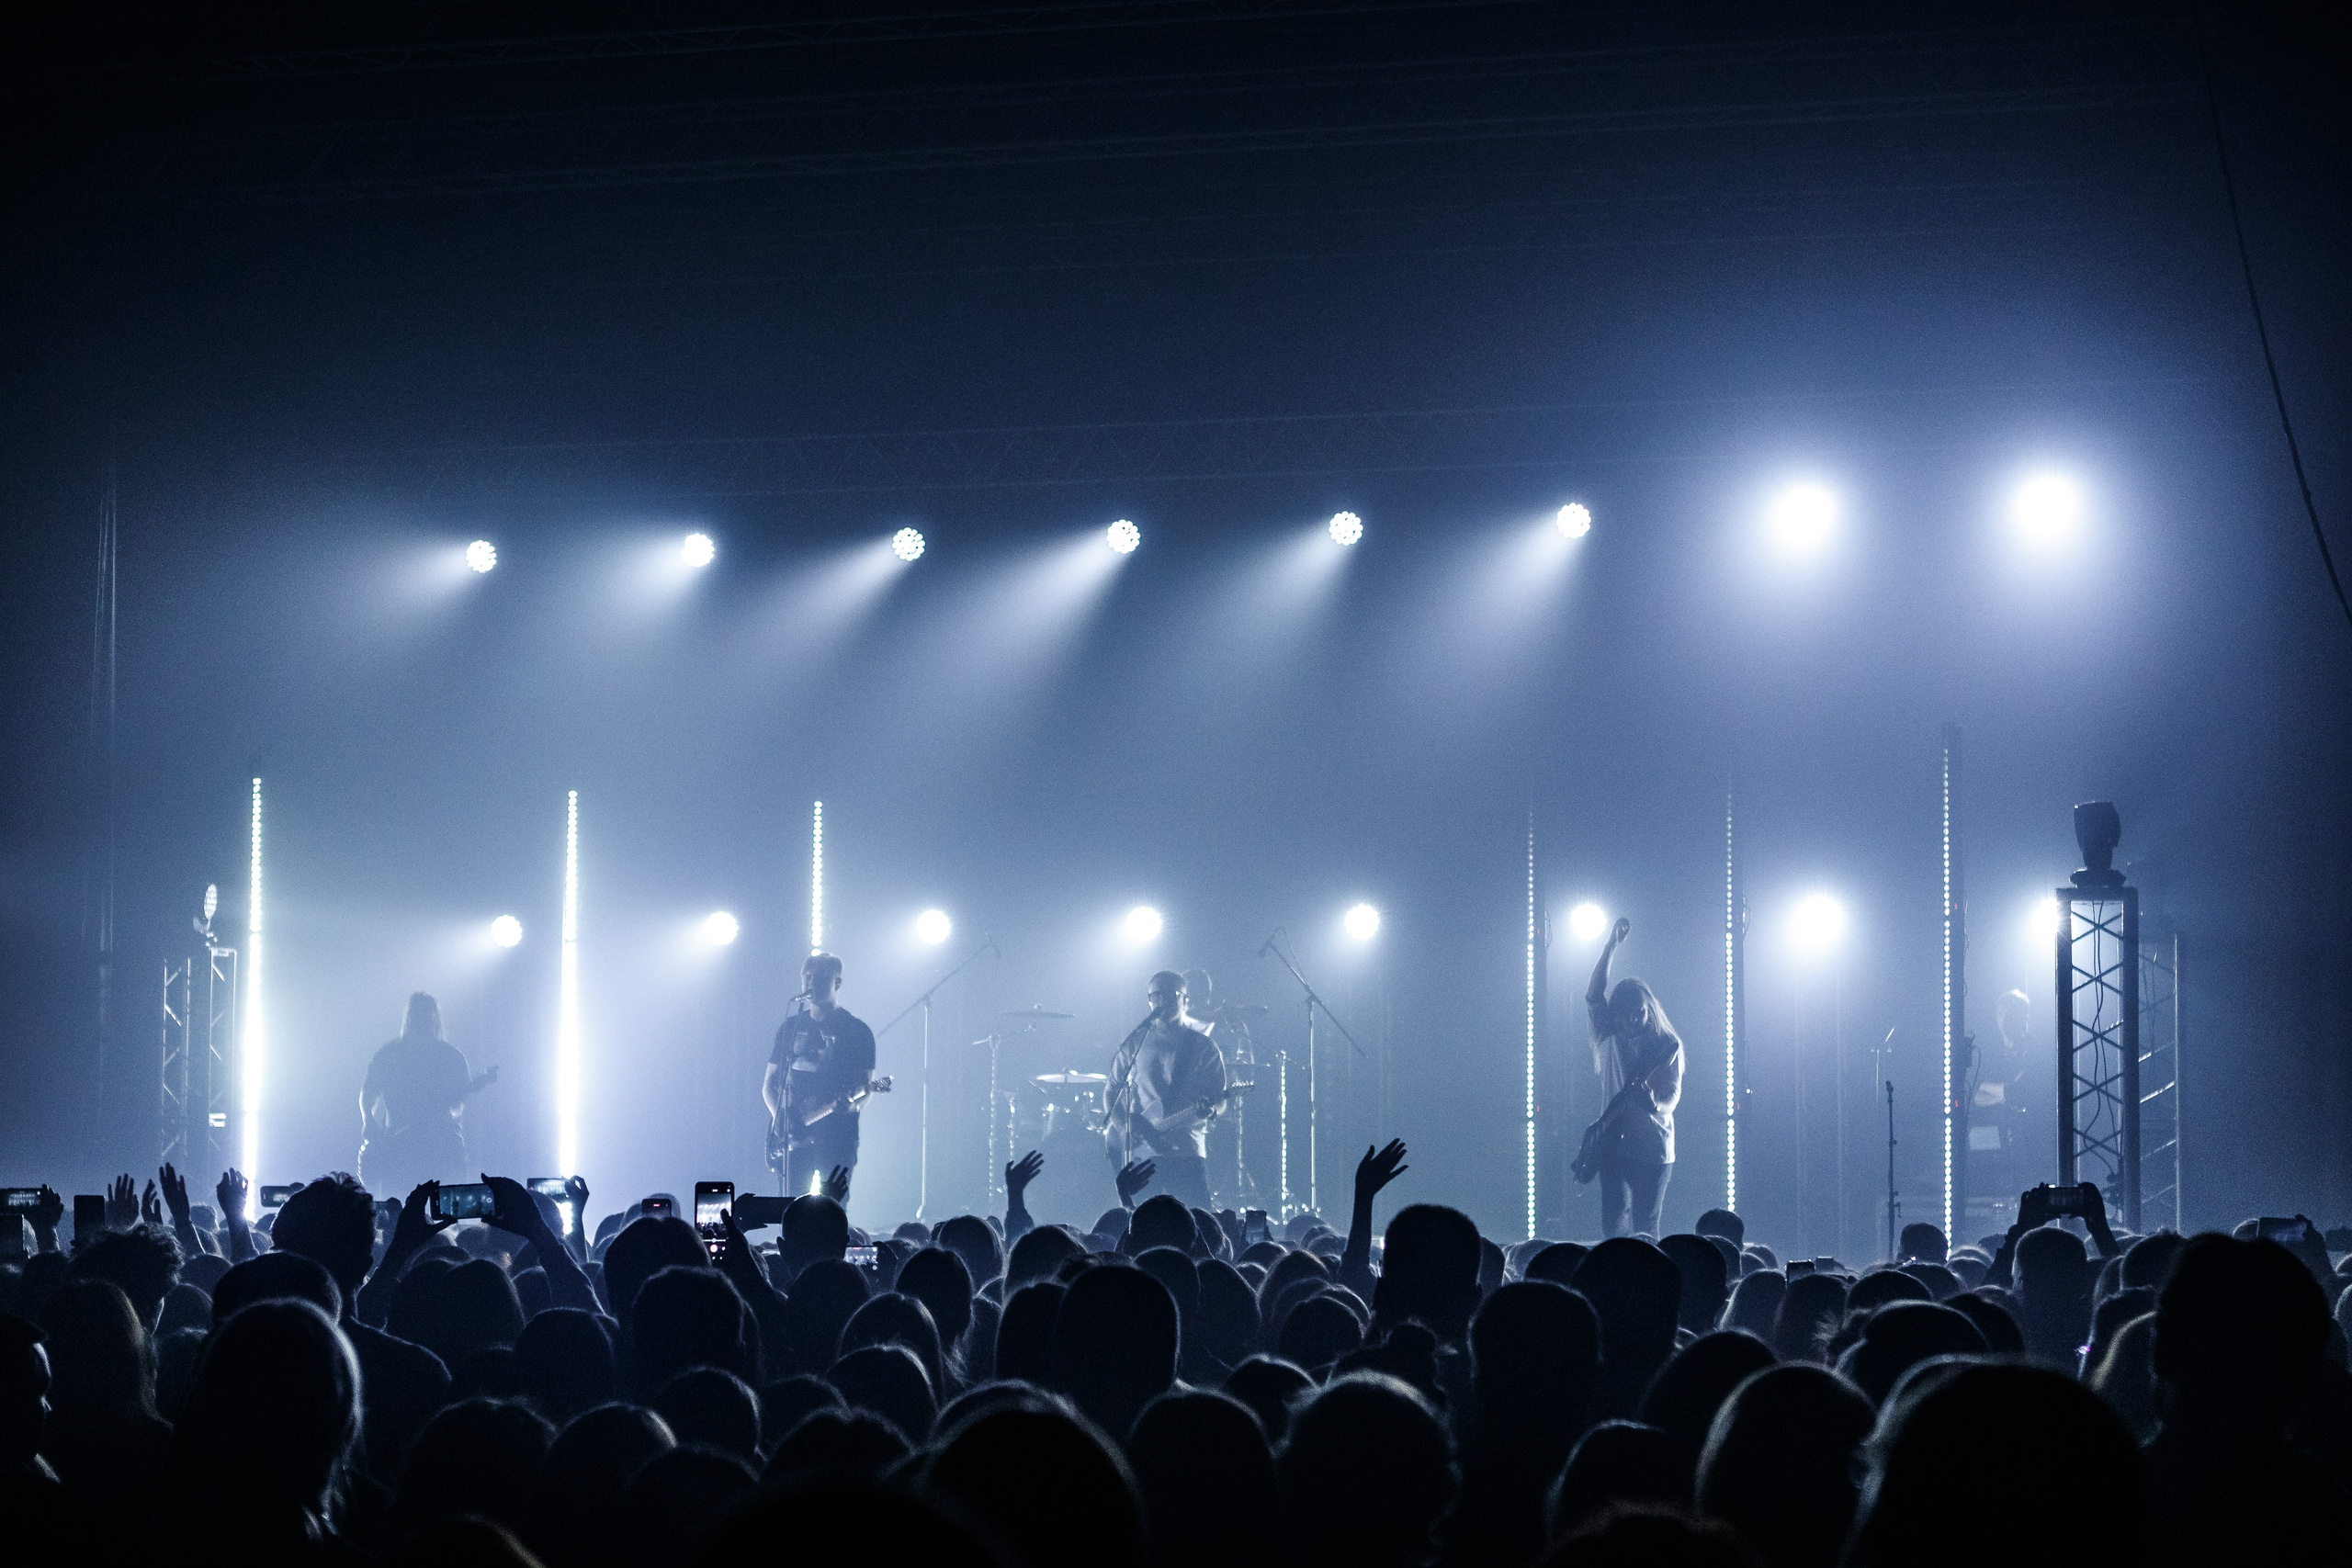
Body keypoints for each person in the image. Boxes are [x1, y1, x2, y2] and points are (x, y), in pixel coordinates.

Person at [1585, 918, 1685, 1238]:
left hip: (1653, 1148)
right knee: (1613, 1224)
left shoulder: (1667, 1044)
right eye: (1625, 1015)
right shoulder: (1609, 1036)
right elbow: (1594, 993)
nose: (1632, 1021)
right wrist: (1610, 946)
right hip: (1615, 1144)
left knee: (1645, 1227)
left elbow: (1672, 1094)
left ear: (1649, 1009)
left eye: (1639, 1013)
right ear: (1617, 1015)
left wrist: (1653, 1104)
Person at [1105, 971, 1228, 1211]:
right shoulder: (1136, 1042)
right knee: (1139, 1224)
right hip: (1143, 1155)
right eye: (1156, 995)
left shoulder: (1204, 1046)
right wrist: (1125, 1130)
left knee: (1198, 1221)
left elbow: (1221, 1098)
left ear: (1186, 1000)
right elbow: (1111, 1093)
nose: (1162, 1000)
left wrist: (1211, 1110)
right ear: (1149, 1000)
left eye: (1171, 994)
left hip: (1187, 1148)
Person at [764, 953, 880, 1199]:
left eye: (821, 978)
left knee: (833, 1210)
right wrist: (781, 1120)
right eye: (807, 977)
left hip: (838, 1137)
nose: (811, 983)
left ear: (837, 983)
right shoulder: (790, 1027)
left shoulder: (857, 1031)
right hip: (795, 1138)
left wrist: (849, 1107)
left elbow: (865, 1089)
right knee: (792, 1208)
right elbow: (769, 1084)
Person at [358, 993, 485, 1194]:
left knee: (448, 1211)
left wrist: (448, 1114)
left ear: (434, 1018)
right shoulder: (389, 1054)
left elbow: (459, 1103)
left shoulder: (451, 1057)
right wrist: (369, 1121)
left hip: (442, 1149)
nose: (420, 1021)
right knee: (397, 1210)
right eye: (415, 1015)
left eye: (425, 1016)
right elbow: (369, 1091)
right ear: (408, 1018)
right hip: (398, 1153)